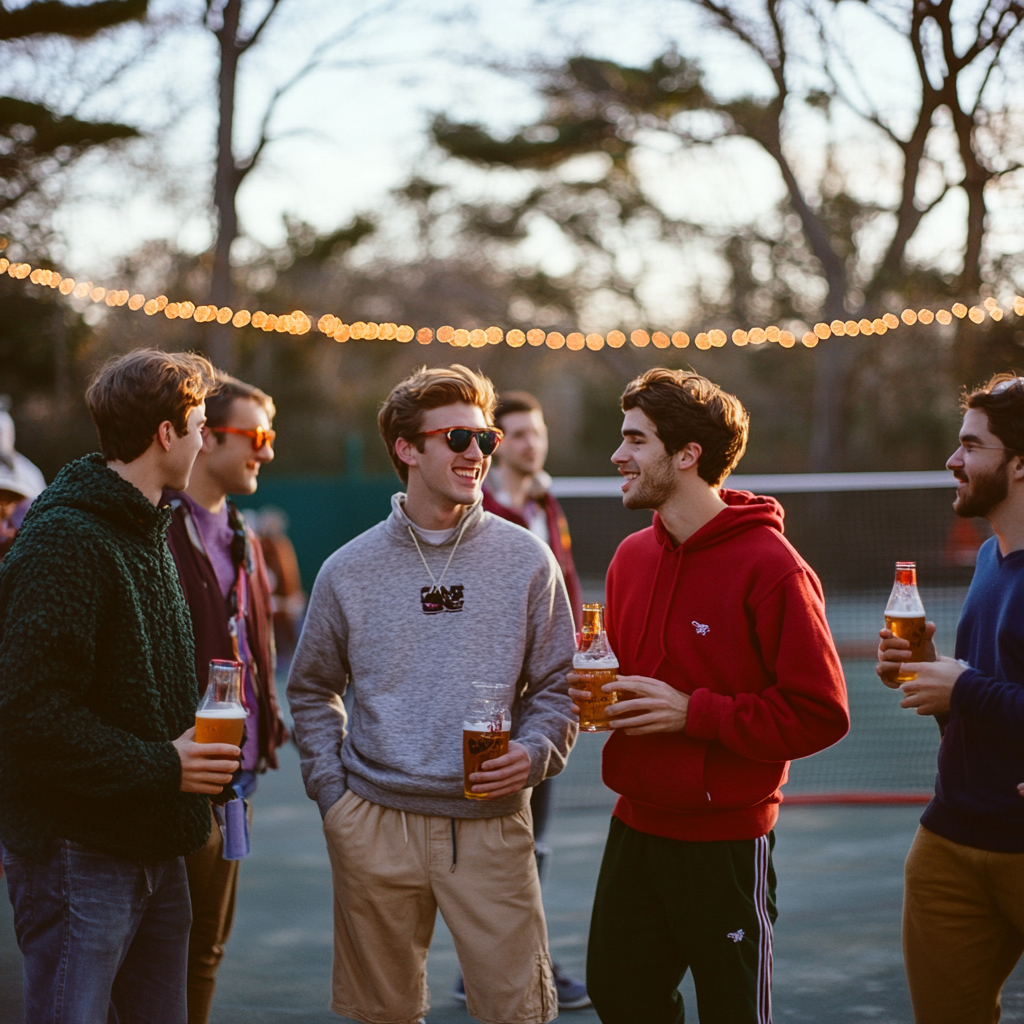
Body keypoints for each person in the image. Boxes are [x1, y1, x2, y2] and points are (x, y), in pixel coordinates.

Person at [287, 363, 577, 1024]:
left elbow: (558, 687)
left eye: (485, 440)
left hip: (493, 825)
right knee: (380, 1014)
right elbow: (310, 691)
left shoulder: (528, 558)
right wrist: (334, 797)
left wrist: (533, 754)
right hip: (373, 823)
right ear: (407, 448)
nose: (477, 453)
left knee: (518, 1012)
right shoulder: (348, 569)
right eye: (458, 439)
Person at [576, 368, 849, 1024]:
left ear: (687, 455)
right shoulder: (629, 559)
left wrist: (692, 713)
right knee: (620, 997)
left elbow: (820, 712)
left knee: (732, 1013)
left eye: (636, 440)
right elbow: (636, 676)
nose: (618, 456)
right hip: (635, 825)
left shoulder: (773, 567)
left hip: (725, 842)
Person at [0, 349, 241, 1024]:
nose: (203, 439)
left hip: (154, 842)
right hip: (82, 853)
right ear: (166, 434)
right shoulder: (66, 540)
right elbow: (29, 716)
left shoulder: (145, 527)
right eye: (197, 423)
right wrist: (167, 763)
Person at [877, 372, 1024, 1024]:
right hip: (949, 842)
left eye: (972, 445)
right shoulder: (993, 558)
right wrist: (934, 676)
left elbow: (984, 690)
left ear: (1019, 466)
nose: (953, 460)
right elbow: (988, 695)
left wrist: (962, 685)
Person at [164, 372, 288, 1024]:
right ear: (205, 437)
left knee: (208, 947)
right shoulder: (155, 530)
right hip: (175, 777)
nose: (267, 450)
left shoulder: (243, 533)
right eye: (257, 435)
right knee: (159, 952)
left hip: (235, 779)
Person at [480, 389, 589, 1009]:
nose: (530, 443)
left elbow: (565, 595)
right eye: (516, 433)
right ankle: (509, 967)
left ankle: (523, 964)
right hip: (496, 702)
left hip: (548, 701)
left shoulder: (549, 504)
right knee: (499, 842)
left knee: (533, 841)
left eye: (536, 432)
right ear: (496, 444)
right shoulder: (484, 510)